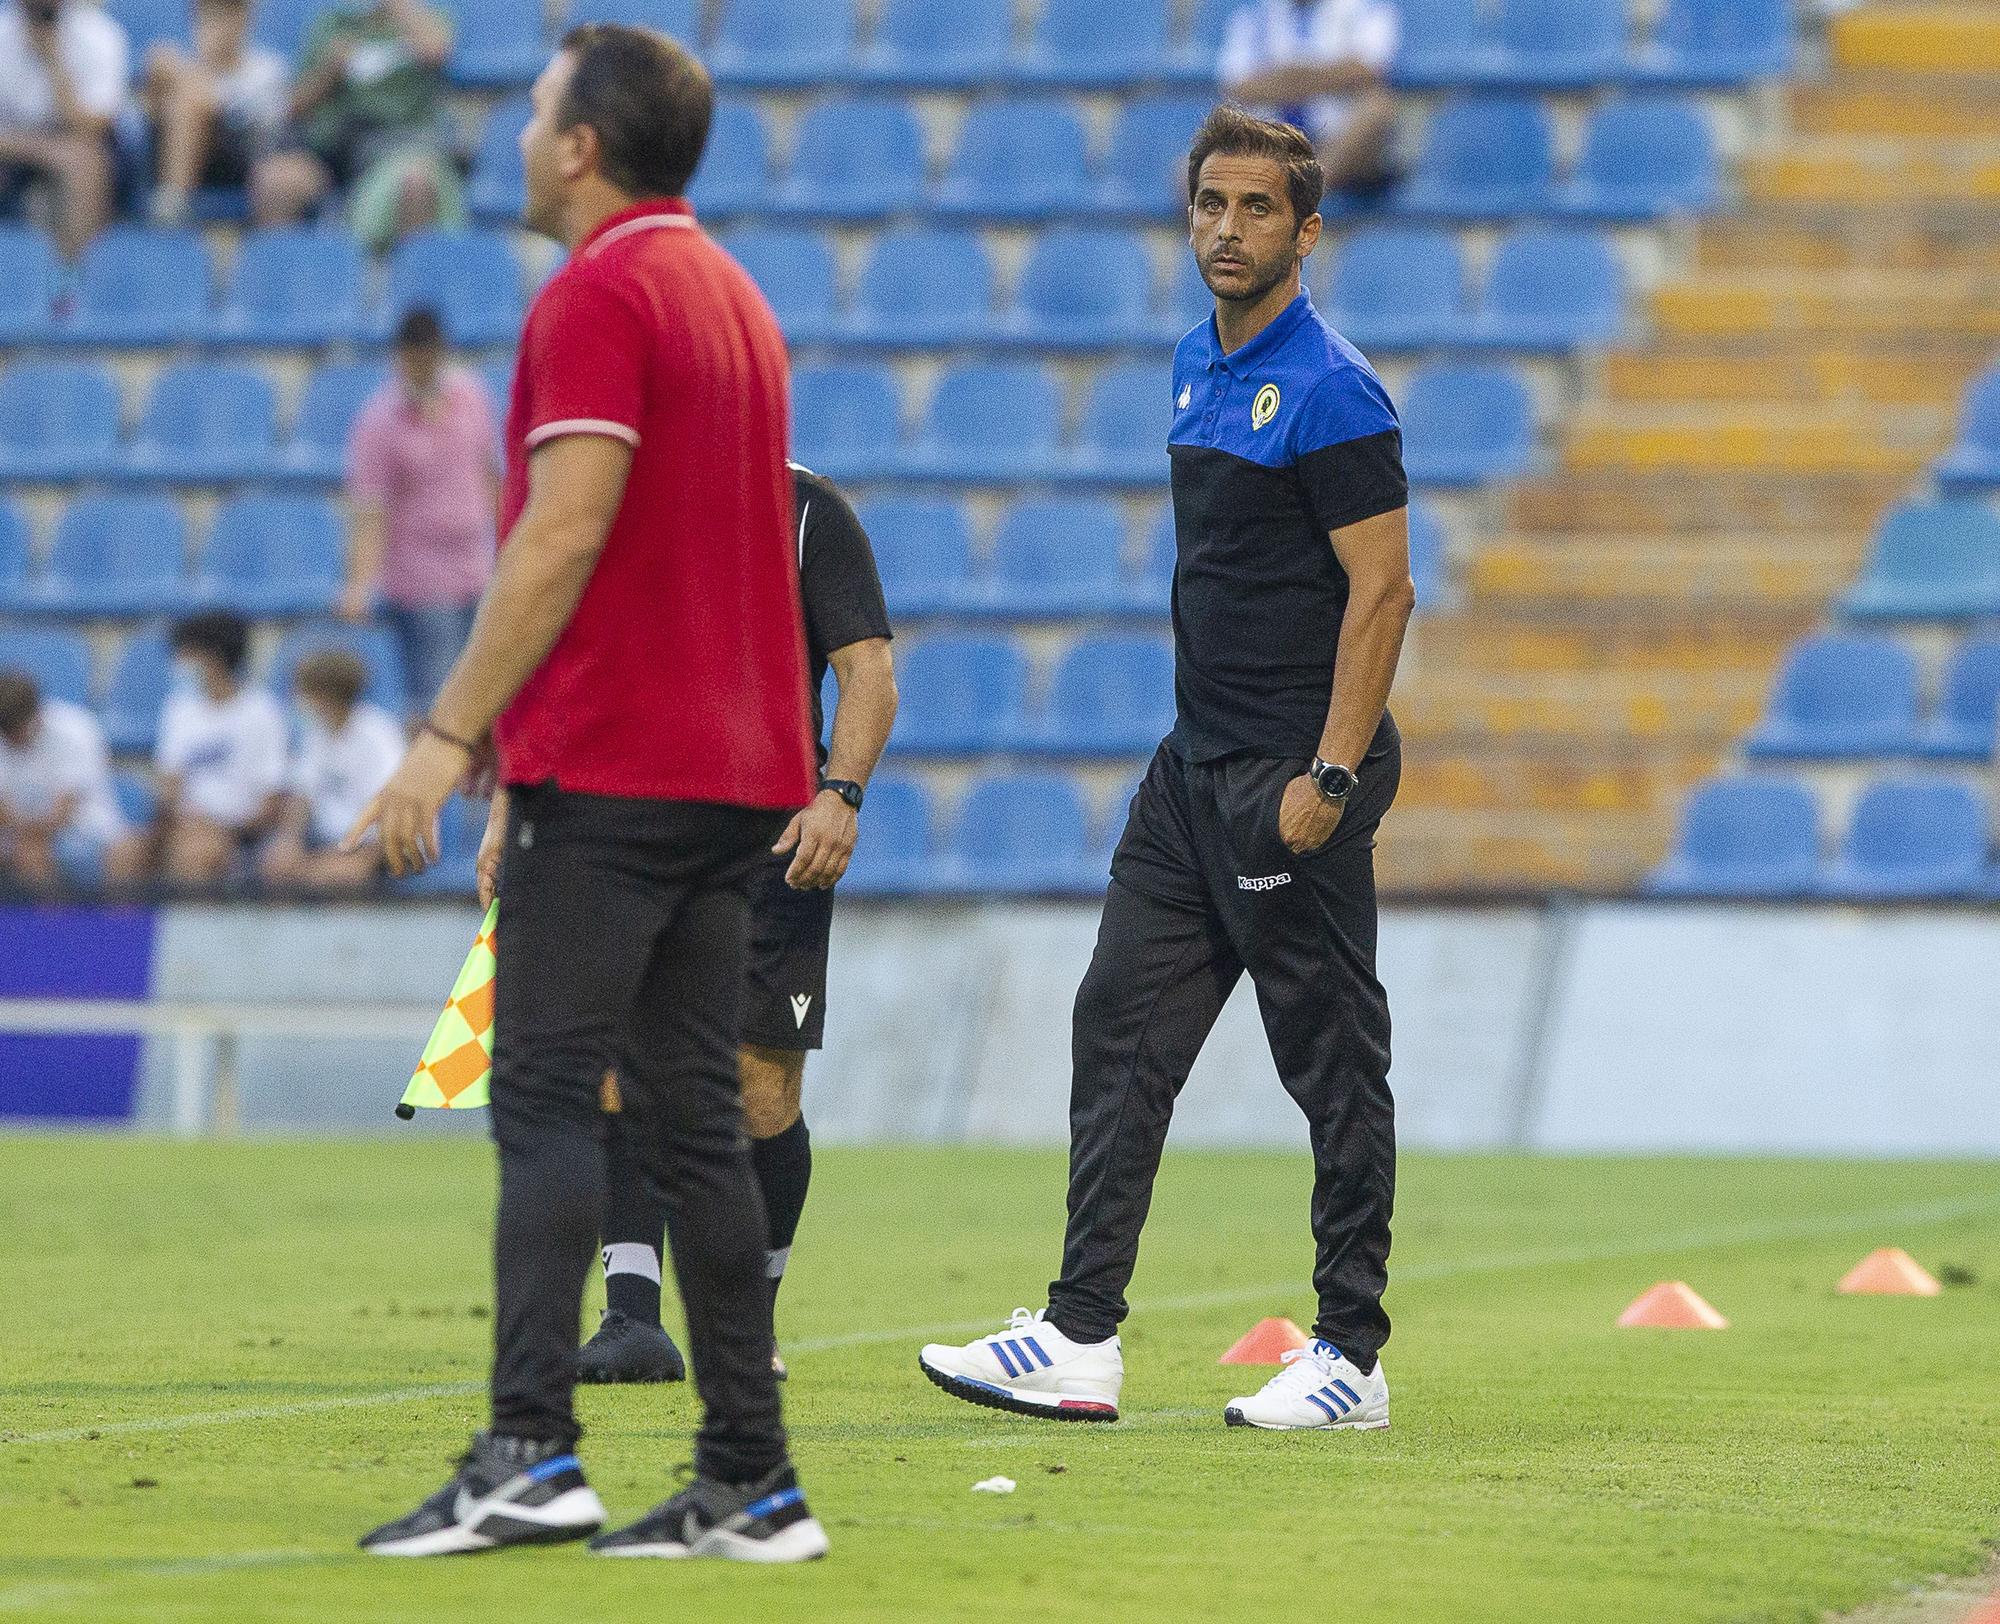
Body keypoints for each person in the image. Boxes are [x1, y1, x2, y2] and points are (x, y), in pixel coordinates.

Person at [348, 24, 829, 1563]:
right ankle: (752, 1479)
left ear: (581, 144)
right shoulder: (734, 295)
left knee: (548, 1099)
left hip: (613, 769)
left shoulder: (600, 292)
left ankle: (528, 1455)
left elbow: (563, 533)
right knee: (697, 1126)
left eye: (538, 108)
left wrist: (446, 741)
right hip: (732, 777)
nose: (516, 132)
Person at [919, 106, 1415, 1432]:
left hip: (1290, 777)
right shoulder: (1197, 360)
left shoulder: (1331, 385)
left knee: (1329, 1058)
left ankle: (1351, 1357)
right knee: (1118, 1029)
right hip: (1189, 770)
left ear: (1307, 230)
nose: (1227, 230)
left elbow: (1383, 594)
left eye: (1257, 209)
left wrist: (1328, 776)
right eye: (1210, 205)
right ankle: (1081, 1337)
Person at [569, 461, 897, 1386]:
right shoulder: (609, 500)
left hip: (772, 832)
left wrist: (842, 793)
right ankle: (630, 1319)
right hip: (631, 823)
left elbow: (867, 671)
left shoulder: (807, 513)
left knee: (759, 1092)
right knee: (614, 1067)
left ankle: (744, 1321)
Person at [341, 306, 500, 718]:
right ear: (401, 356)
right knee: (440, 702)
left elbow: (490, 473)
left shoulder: (471, 397)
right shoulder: (379, 422)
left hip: (476, 569)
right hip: (421, 581)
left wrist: (508, 541)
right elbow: (370, 512)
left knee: (488, 696)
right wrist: (359, 584)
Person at [249, 0, 464, 252]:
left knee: (416, 183)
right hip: (335, 148)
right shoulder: (332, 22)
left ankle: (407, 284)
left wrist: (399, 8)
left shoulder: (431, 17)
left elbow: (437, 51)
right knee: (276, 181)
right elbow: (294, 106)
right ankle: (285, 284)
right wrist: (329, 69)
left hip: (398, 146)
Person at [106, 611, 289, 892]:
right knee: (124, 853)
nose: (179, 663)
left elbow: (270, 804)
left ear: (213, 657)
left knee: (195, 857)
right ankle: (117, 934)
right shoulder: (180, 709)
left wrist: (221, 827)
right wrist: (174, 821)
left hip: (235, 834)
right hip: (182, 827)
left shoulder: (262, 713)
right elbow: (169, 786)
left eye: (186, 654)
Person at [1219, 0, 1400, 199]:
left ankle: (1304, 192)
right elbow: (1239, 87)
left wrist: (1287, 79)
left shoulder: (1365, 6)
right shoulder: (1254, 13)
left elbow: (1366, 70)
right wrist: (1324, 78)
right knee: (1193, 170)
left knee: (1377, 108)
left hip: (1339, 140)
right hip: (1272, 142)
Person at [260, 648, 403, 894]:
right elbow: (302, 797)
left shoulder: (378, 736)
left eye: (304, 693)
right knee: (277, 865)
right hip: (326, 845)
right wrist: (288, 840)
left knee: (338, 875)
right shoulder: (316, 734)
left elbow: (392, 809)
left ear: (326, 695)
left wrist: (357, 856)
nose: (298, 700)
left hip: (375, 849)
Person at [141, 0, 289, 226]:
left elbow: (264, 131)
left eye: (227, 16)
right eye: (209, 17)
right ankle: (169, 199)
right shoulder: (182, 70)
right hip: (181, 154)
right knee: (161, 62)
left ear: (244, 20)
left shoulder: (265, 70)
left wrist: (205, 83)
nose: (219, 26)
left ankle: (172, 204)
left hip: (240, 161)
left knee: (192, 97)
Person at [0, 0, 129, 258]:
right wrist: (43, 149)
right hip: (15, 145)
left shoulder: (99, 35)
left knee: (84, 163)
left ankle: (72, 285)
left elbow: (93, 129)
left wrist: (53, 62)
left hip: (77, 145)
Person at [0, 668, 125, 893]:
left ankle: (56, 926)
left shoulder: (75, 729)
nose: (11, 741)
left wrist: (28, 837)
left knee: (34, 855)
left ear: (35, 715)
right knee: (28, 851)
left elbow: (63, 812)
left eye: (15, 733)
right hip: (17, 835)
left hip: (83, 830)